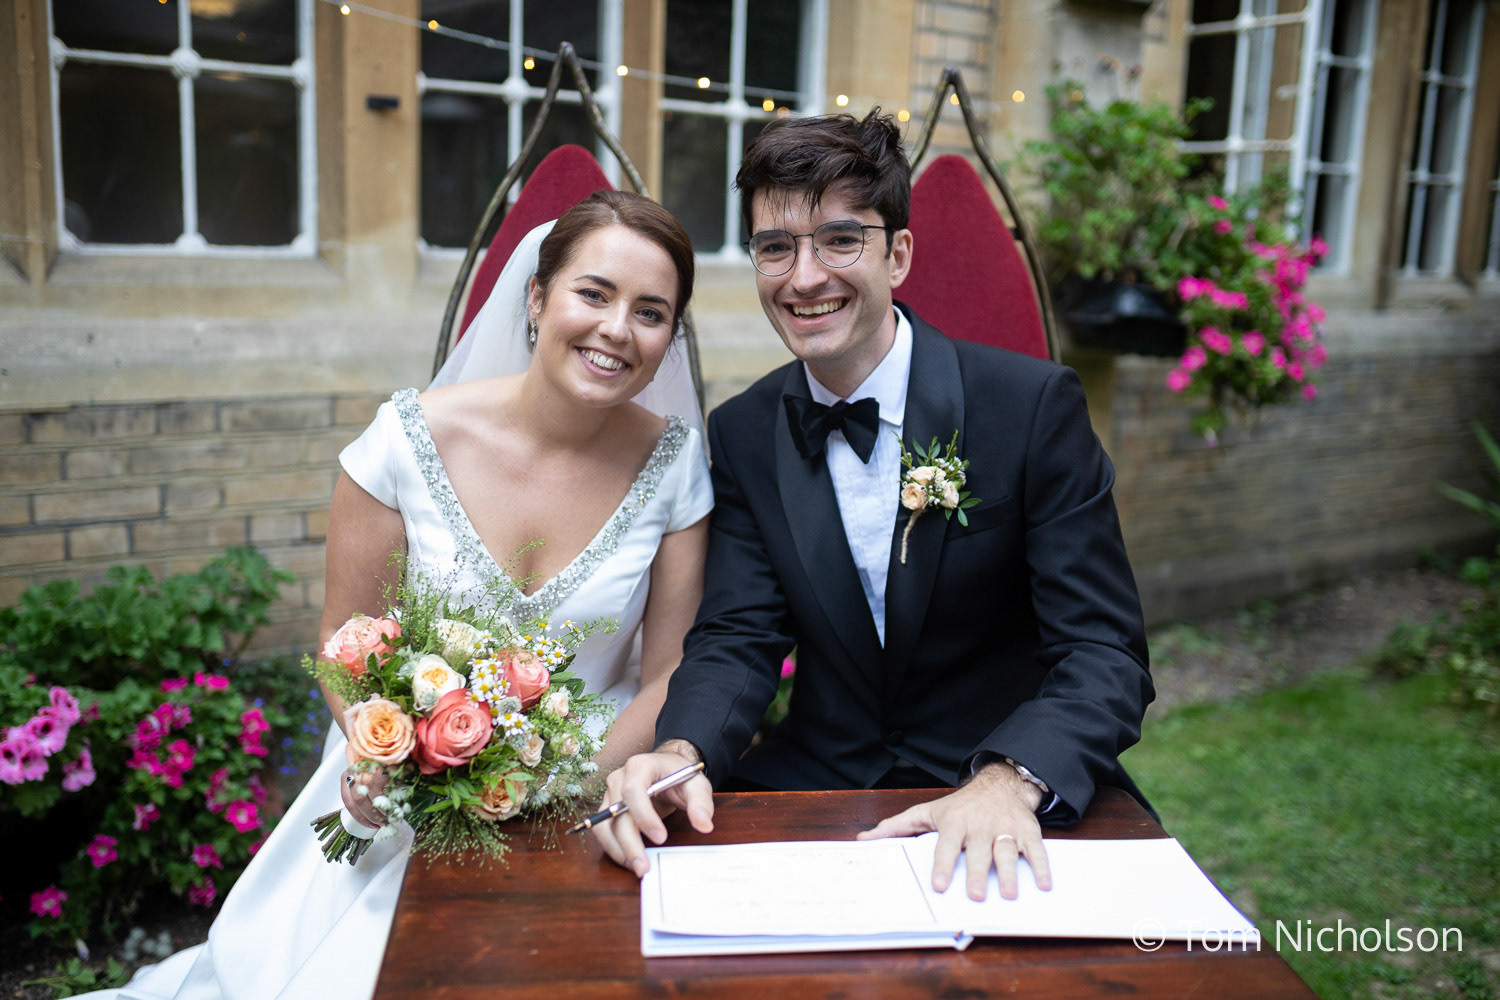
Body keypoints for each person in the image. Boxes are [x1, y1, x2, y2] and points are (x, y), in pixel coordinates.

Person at [86, 190, 713, 1000]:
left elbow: (669, 671)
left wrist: (559, 788)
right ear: (536, 296)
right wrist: (400, 760)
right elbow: (344, 645)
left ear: (669, 340)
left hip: (594, 790)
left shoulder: (676, 464)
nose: (617, 330)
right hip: (405, 792)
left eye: (651, 312)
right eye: (593, 294)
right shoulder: (403, 441)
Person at [595, 111, 1154, 904]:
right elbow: (739, 634)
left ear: (898, 253)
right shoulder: (745, 431)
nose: (803, 276)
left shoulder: (1031, 407)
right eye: (775, 247)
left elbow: (1104, 650)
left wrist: (1012, 779)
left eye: (839, 240)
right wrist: (680, 750)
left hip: (1001, 783)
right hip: (815, 782)